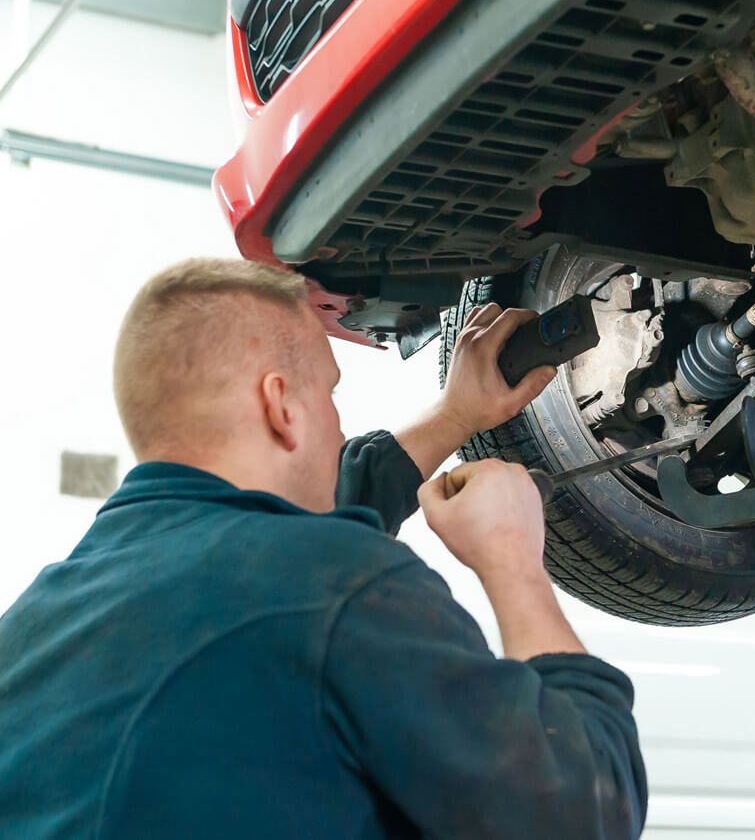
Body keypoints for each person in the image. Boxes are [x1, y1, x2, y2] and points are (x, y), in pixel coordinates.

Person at [0, 258, 647, 839]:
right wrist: (512, 564)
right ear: (281, 406)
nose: (338, 425)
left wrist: (455, 417)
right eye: (329, 393)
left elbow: (308, 525)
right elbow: (587, 812)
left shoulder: (31, 628)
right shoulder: (333, 585)